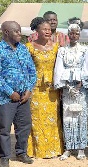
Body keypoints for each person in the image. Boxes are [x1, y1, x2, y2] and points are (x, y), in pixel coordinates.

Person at [0, 21, 37, 167]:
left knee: (24, 126)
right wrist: (10, 93)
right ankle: (4, 156)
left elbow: (32, 72)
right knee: (4, 128)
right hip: (5, 98)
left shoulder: (23, 49)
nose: (19, 34)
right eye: (16, 31)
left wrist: (28, 90)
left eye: (19, 31)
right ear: (6, 32)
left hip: (23, 97)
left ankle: (21, 152)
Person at [54, 21, 88, 161]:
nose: (74, 35)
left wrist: (79, 85)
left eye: (77, 33)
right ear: (68, 34)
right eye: (71, 33)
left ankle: (81, 147)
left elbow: (86, 68)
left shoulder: (84, 50)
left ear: (80, 34)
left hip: (80, 88)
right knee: (68, 116)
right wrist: (67, 86)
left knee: (81, 116)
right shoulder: (62, 50)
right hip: (67, 87)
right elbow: (59, 69)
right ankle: (68, 147)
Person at [26, 17, 63, 158]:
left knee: (53, 119)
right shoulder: (29, 47)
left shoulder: (57, 47)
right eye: (44, 29)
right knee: (36, 118)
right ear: (37, 31)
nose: (48, 31)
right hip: (35, 88)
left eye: (49, 29)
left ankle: (54, 149)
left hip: (52, 88)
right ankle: (36, 150)